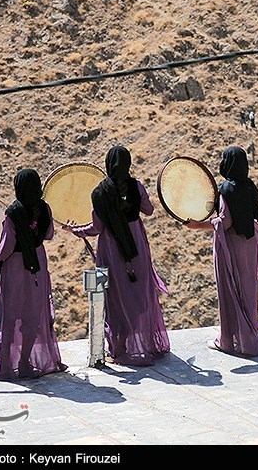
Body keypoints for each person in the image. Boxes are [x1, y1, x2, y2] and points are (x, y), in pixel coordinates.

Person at [64, 145, 170, 366]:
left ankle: (120, 349)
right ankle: (144, 345)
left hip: (112, 249)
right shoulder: (136, 186)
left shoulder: (100, 193)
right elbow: (149, 210)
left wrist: (75, 230)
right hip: (136, 245)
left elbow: (96, 227)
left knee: (116, 297)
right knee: (139, 294)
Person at [0, 169, 67, 381]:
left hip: (16, 268)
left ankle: (6, 367)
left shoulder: (13, 212)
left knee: (8, 316)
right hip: (37, 265)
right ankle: (26, 363)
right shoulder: (44, 209)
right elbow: (49, 234)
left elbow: (7, 247)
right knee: (31, 314)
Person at [184, 146, 258, 356]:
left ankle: (229, 340)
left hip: (231, 246)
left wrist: (197, 225)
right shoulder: (250, 187)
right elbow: (255, 215)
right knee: (247, 290)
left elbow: (225, 222)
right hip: (250, 245)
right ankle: (249, 338)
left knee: (230, 290)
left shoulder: (226, 189)